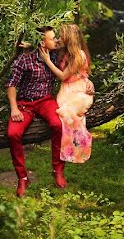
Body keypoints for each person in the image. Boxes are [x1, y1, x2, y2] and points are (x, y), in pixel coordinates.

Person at [6, 26, 66, 197]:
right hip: (25, 104)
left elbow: (74, 45)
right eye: (53, 38)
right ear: (42, 42)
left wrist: (87, 81)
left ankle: (58, 169)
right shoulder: (25, 59)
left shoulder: (55, 55)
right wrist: (14, 108)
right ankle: (23, 178)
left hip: (46, 101)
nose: (56, 40)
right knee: (12, 134)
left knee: (57, 124)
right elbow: (11, 84)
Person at [39, 23, 95, 164]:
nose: (58, 39)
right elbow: (44, 43)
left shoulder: (79, 55)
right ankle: (68, 150)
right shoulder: (63, 51)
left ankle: (82, 141)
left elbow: (63, 76)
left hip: (78, 89)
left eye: (62, 36)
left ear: (69, 39)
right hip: (66, 90)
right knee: (60, 113)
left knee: (66, 111)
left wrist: (47, 61)